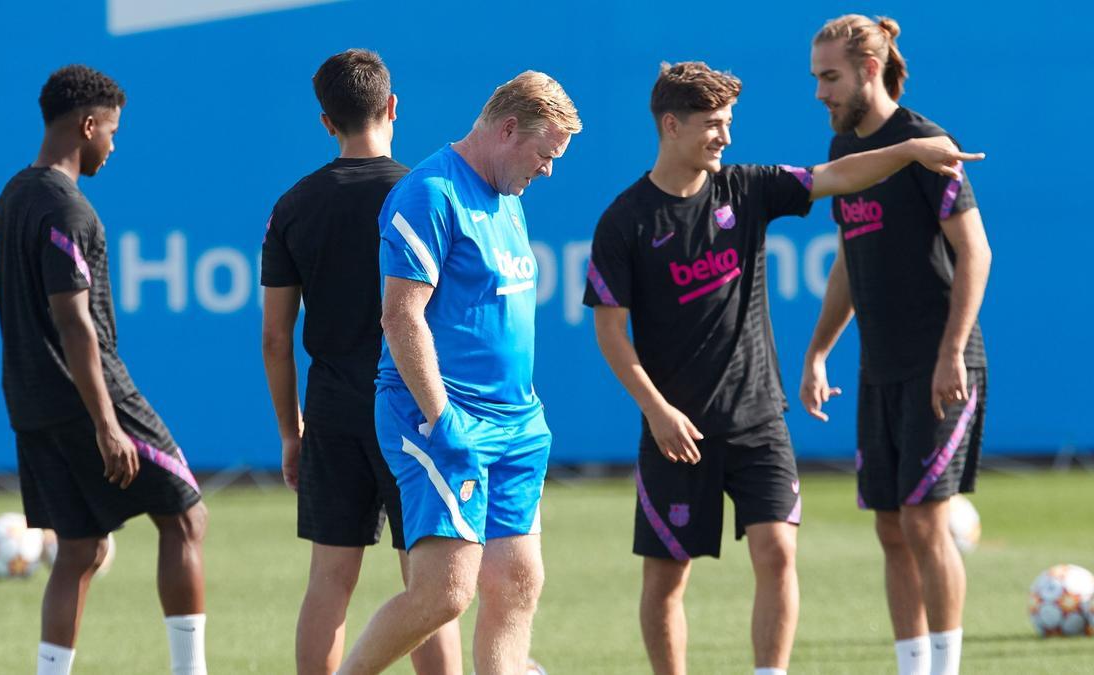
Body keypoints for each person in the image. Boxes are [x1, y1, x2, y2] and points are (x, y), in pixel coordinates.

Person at [583, 61, 982, 675]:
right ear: (670, 125)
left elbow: (838, 175)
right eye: (713, 125)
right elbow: (610, 332)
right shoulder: (625, 221)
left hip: (759, 418)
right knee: (666, 579)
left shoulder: (746, 189)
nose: (726, 137)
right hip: (675, 431)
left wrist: (908, 151)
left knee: (777, 552)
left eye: (730, 123)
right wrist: (657, 411)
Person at [337, 71, 581, 675]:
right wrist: (442, 418)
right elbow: (401, 315)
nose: (548, 170)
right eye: (545, 153)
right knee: (444, 593)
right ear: (505, 129)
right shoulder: (431, 192)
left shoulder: (508, 195)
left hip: (516, 422)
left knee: (519, 577)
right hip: (444, 418)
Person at [0, 64, 208, 675]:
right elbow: (75, 322)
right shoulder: (67, 210)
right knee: (188, 515)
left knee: (79, 548)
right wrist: (107, 425)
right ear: (88, 126)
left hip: (29, 399)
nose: (114, 144)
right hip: (87, 394)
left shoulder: (11, 198)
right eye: (112, 131)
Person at [259, 48, 461, 675]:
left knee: (329, 580)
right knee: (427, 582)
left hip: (333, 413)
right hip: (411, 410)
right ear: (393, 106)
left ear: (326, 122)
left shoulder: (293, 206)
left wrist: (292, 434)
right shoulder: (424, 194)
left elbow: (274, 337)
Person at [801, 15, 992, 675]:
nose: (821, 91)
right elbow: (849, 263)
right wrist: (819, 350)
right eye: (817, 77)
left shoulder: (925, 142)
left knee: (922, 522)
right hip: (880, 367)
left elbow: (977, 252)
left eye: (830, 76)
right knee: (890, 527)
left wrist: (951, 350)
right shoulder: (842, 153)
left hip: (942, 364)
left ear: (868, 69)